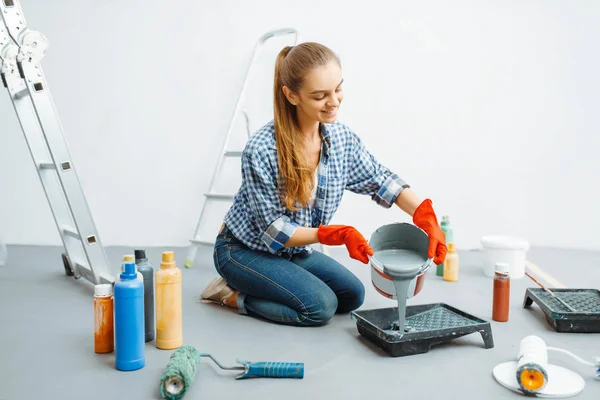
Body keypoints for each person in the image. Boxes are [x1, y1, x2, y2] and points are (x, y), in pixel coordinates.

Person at [200, 42, 447, 326]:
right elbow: (273, 231)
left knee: (353, 295)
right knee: (320, 307)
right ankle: (230, 294)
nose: (334, 102)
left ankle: (277, 281)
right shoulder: (262, 149)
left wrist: (425, 215)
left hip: (291, 253)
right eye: (320, 96)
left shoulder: (340, 139)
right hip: (243, 250)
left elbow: (383, 180)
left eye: (338, 89)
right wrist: (333, 234)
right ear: (291, 95)